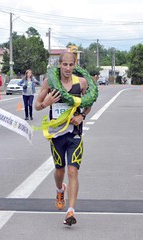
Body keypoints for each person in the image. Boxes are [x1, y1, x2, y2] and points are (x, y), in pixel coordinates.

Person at [34, 52, 93, 226]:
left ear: (75, 65)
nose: (68, 68)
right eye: (65, 64)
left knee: (72, 170)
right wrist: (46, 103)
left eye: (71, 64)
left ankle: (71, 211)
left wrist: (81, 115)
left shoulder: (80, 83)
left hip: (74, 133)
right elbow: (36, 106)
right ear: (59, 65)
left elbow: (89, 103)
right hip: (56, 134)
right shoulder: (49, 82)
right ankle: (60, 190)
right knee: (59, 170)